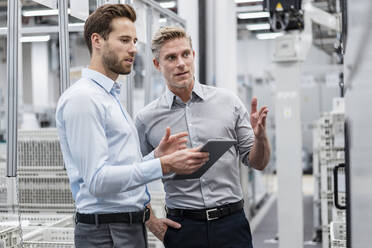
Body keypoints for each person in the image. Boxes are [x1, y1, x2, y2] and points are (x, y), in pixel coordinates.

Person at [55, 5, 209, 248]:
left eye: (135, 41)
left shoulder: (109, 97)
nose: (134, 49)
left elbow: (120, 167)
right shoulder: (84, 99)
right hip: (105, 231)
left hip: (125, 226)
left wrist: (155, 157)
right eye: (124, 40)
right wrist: (164, 164)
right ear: (97, 40)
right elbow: (97, 180)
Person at [134, 26, 271, 248]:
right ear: (157, 65)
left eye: (185, 54)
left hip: (232, 225)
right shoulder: (146, 119)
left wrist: (261, 139)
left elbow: (258, 162)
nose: (181, 63)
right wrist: (151, 220)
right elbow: (132, 175)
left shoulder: (228, 102)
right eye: (171, 57)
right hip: (183, 229)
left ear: (193, 55)